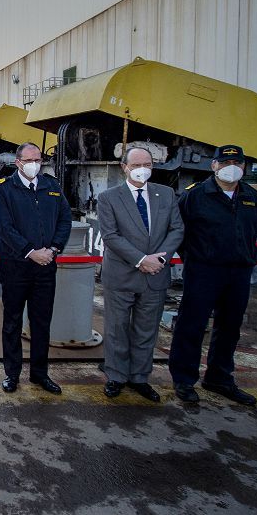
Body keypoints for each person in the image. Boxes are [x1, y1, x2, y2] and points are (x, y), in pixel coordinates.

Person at [169, 145, 257, 406]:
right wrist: (196, 259)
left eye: (236, 162)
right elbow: (179, 233)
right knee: (192, 324)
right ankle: (184, 379)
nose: (230, 167)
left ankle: (219, 377)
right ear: (214, 166)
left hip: (239, 272)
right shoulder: (195, 196)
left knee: (230, 326)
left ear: (244, 166)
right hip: (204, 271)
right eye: (224, 162)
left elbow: (251, 231)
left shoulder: (251, 196)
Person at [96, 147, 184, 402]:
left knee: (147, 330)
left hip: (155, 273)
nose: (142, 168)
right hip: (122, 274)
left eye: (147, 163)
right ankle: (116, 376)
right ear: (124, 167)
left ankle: (140, 377)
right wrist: (140, 259)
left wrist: (160, 258)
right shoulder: (109, 197)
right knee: (117, 328)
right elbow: (111, 236)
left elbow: (177, 229)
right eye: (136, 164)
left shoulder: (166, 194)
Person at [0, 142, 72, 395]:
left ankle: (40, 374)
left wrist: (54, 249)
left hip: (46, 267)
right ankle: (12, 374)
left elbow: (64, 219)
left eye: (38, 159)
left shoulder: (52, 186)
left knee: (41, 322)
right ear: (18, 163)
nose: (34, 164)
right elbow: (4, 228)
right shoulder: (4, 189)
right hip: (16, 267)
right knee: (12, 322)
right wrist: (30, 251)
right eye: (29, 160)